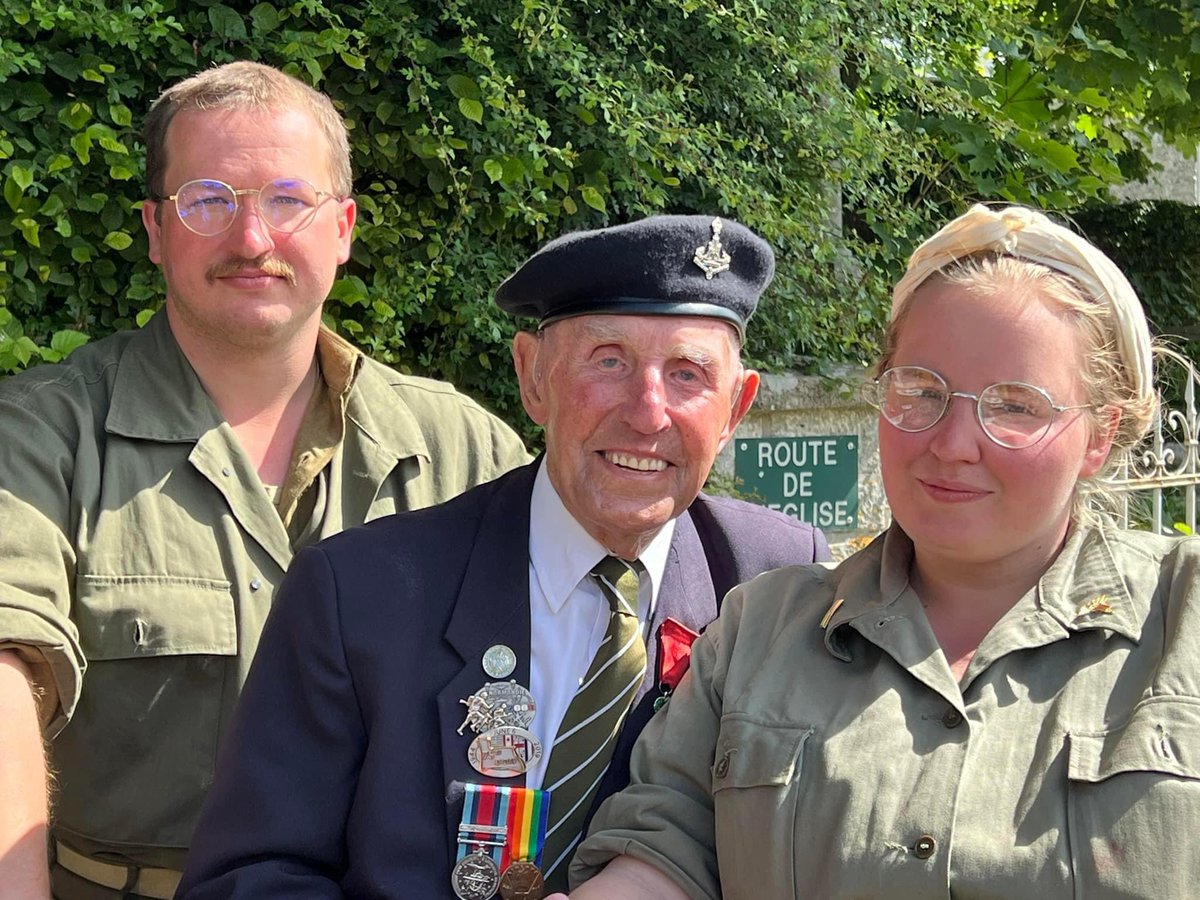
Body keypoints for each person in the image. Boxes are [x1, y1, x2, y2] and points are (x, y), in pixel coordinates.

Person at [175, 214, 831, 899]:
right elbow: (249, 880)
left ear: (735, 408)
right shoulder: (358, 594)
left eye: (689, 374)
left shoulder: (777, 580)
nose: (648, 411)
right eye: (609, 360)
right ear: (533, 377)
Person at [563, 204, 1200, 900]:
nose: (953, 443)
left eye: (1016, 405)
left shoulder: (1183, 620)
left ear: (1100, 436)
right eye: (922, 391)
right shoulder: (758, 631)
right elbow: (664, 854)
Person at [0, 61, 528, 900]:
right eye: (208, 200)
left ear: (345, 227)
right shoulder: (39, 439)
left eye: (288, 200)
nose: (252, 239)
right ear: (154, 230)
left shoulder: (464, 450)